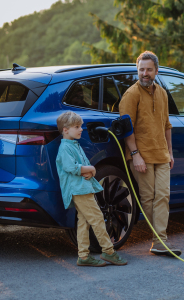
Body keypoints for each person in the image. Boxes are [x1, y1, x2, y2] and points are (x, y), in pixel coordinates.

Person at [119, 51, 182, 256]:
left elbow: (166, 124)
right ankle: (160, 241)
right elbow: (126, 128)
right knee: (148, 198)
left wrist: (170, 152)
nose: (144, 73)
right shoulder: (132, 94)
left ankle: (159, 241)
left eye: (148, 69)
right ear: (137, 70)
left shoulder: (162, 93)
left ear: (156, 70)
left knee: (163, 196)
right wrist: (135, 154)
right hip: (141, 156)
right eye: (141, 69)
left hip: (162, 154)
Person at [55, 111, 128, 267]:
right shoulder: (65, 148)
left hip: (82, 187)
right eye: (77, 127)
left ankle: (83, 256)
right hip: (78, 189)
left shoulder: (74, 145)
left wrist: (88, 171)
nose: (81, 129)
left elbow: (80, 166)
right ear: (66, 130)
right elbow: (70, 167)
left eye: (80, 126)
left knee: (84, 222)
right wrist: (90, 169)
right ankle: (109, 252)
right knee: (97, 219)